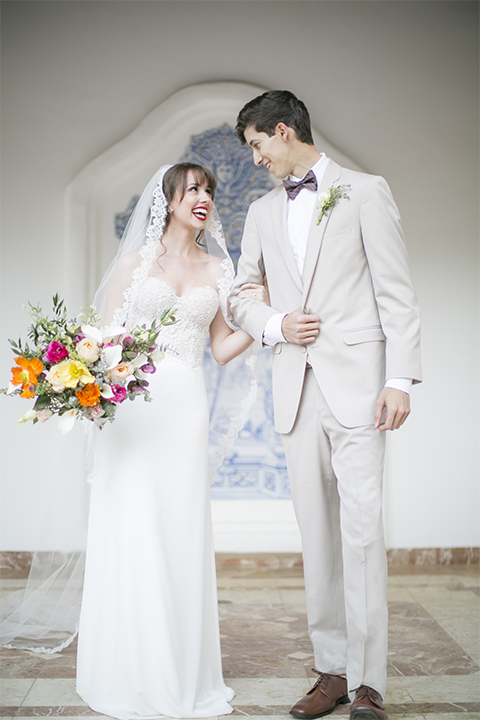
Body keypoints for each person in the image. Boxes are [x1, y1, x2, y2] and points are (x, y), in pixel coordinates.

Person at [230, 91, 422, 720]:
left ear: (283, 131)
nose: (257, 161)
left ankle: (369, 684)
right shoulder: (260, 211)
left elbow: (397, 293)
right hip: (295, 391)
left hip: (363, 389)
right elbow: (242, 294)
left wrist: (399, 379)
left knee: (362, 534)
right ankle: (331, 671)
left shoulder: (365, 192)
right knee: (318, 538)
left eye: (258, 146)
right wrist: (277, 322)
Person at [76, 163, 267, 719]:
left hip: (185, 410)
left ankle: (180, 669)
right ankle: (129, 668)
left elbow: (222, 347)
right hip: (134, 412)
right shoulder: (134, 267)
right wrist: (88, 389)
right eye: (193, 190)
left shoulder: (219, 269)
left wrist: (267, 320)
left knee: (178, 530)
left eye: (209, 190)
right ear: (169, 200)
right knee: (132, 526)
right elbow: (103, 345)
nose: (204, 198)